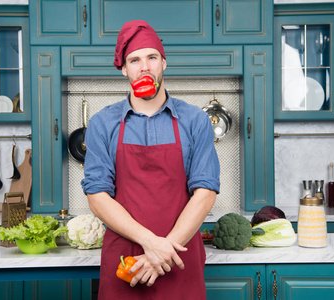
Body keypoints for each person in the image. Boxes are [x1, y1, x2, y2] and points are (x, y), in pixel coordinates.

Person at [81, 20, 220, 299]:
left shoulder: (195, 120)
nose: (144, 67)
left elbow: (205, 193)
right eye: (135, 60)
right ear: (124, 70)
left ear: (163, 63)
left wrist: (164, 251)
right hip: (127, 262)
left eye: (151, 57)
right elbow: (97, 195)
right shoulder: (102, 123)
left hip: (179, 257)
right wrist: (151, 244)